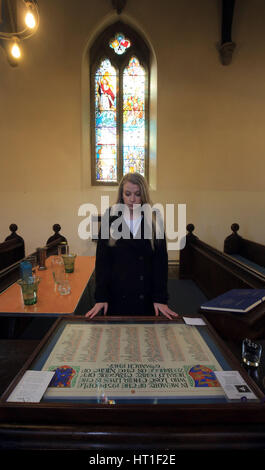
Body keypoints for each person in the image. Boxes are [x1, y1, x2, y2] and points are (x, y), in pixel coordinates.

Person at [85, 172, 178, 320]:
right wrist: (101, 297)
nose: (132, 199)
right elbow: (103, 262)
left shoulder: (154, 219)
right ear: (121, 194)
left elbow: (160, 263)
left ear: (144, 195)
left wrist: (160, 299)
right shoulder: (110, 217)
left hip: (145, 296)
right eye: (127, 194)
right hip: (116, 295)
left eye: (137, 194)